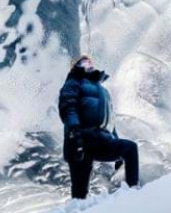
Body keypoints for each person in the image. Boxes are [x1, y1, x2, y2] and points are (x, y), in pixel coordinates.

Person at [57, 54, 139, 199]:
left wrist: (115, 139)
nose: (88, 62)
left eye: (89, 61)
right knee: (79, 193)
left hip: (102, 140)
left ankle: (134, 193)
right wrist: (74, 132)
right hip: (80, 141)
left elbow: (110, 120)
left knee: (130, 147)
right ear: (75, 66)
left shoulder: (103, 90)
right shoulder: (73, 83)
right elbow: (68, 106)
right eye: (83, 61)